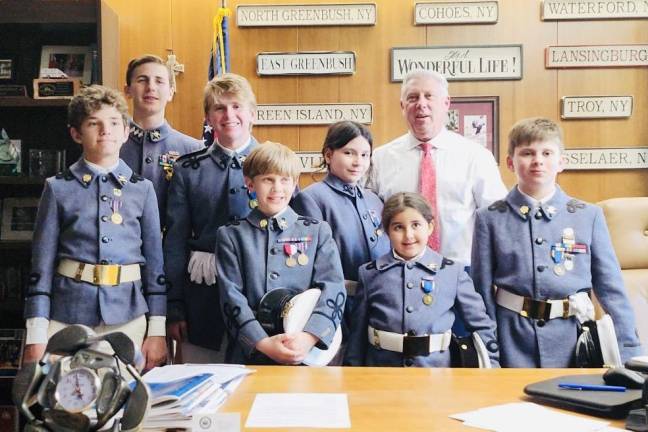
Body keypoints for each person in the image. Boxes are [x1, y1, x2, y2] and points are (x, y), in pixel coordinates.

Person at [471, 117, 642, 367]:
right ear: (510, 162)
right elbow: (481, 292)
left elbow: (611, 288)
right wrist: (490, 349)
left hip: (574, 341)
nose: (538, 160)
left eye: (547, 152)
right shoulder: (490, 218)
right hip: (512, 340)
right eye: (527, 153)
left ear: (561, 161)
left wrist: (629, 349)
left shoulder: (588, 216)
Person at [23, 85, 167, 369]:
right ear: (76, 133)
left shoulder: (143, 190)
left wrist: (157, 330)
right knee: (66, 403)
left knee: (124, 400)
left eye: (114, 123)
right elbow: (40, 267)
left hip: (129, 317)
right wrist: (36, 333)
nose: (106, 131)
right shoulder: (57, 188)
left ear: (126, 132)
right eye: (94, 123)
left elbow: (155, 267)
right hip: (67, 315)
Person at [216, 141, 345, 365]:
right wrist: (262, 343)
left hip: (305, 352)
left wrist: (308, 338)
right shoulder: (231, 236)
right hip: (252, 353)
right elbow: (231, 296)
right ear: (250, 183)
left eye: (285, 179)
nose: (277, 188)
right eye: (268, 179)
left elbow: (333, 288)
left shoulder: (316, 231)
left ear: (295, 183)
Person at [164, 73, 259, 363]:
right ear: (208, 117)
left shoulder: (275, 163)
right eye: (219, 108)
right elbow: (175, 242)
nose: (229, 115)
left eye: (237, 106)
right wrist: (175, 307)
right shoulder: (189, 170)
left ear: (252, 113)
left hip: (260, 300)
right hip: (203, 303)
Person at [367, 70, 506, 266]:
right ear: (402, 106)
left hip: (461, 270)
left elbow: (498, 220)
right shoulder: (380, 159)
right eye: (413, 97)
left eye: (429, 96)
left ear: (446, 103)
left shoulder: (476, 156)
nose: (421, 104)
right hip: (399, 272)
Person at [345, 192, 498, 367]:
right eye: (398, 227)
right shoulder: (369, 274)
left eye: (416, 225)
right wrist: (352, 374)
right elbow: (357, 338)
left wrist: (491, 367)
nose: (408, 235)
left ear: (430, 227)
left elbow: (481, 327)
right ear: (387, 231)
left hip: (436, 373)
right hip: (382, 372)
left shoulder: (452, 273)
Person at [292, 121, 390, 340]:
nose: (358, 162)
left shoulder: (374, 200)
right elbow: (311, 268)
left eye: (365, 155)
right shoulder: (311, 199)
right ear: (329, 155)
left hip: (381, 307)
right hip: (339, 308)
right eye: (349, 153)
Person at [120, 54, 202, 226]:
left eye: (159, 81)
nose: (151, 88)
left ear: (171, 92)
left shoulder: (194, 150)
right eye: (142, 80)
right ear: (127, 90)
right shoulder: (112, 145)